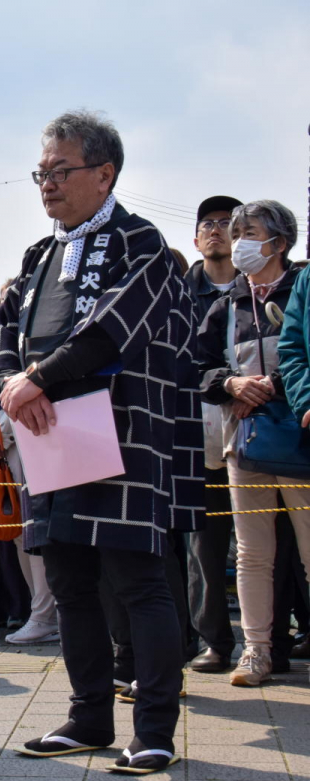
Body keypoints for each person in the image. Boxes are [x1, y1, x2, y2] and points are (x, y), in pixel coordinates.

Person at [0, 111, 203, 775]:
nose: (46, 184)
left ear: (105, 173)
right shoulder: (40, 256)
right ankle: (88, 715)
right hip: (49, 430)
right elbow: (0, 337)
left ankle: (154, 727)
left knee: (136, 580)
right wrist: (18, 381)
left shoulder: (142, 243)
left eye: (59, 171)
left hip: (122, 431)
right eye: (40, 173)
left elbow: (111, 329)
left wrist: (34, 380)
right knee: (69, 579)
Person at [203, 199, 309, 687]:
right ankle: (256, 651)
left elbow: (298, 357)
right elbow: (195, 366)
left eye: (250, 232)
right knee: (251, 553)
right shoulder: (226, 305)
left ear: (280, 243)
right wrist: (231, 385)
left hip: (299, 442)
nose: (239, 240)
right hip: (243, 445)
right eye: (237, 231)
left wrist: (267, 387)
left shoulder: (300, 290)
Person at [0, 296, 55, 643]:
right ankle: (38, 612)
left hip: (24, 446)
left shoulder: (27, 347)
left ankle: (45, 612)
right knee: (16, 536)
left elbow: (23, 394)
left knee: (36, 535)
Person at [184, 195, 243, 674]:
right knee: (204, 544)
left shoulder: (265, 289)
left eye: (229, 223)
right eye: (209, 223)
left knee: (272, 541)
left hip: (261, 431)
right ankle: (216, 642)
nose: (218, 230)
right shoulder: (181, 294)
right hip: (199, 435)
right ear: (197, 236)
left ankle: (281, 637)